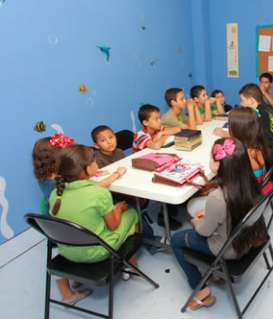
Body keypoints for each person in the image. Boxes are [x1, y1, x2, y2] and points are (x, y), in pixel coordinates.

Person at [171, 138, 268, 310]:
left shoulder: (217, 197)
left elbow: (203, 232)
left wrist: (195, 221)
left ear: (218, 165)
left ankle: (201, 292)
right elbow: (234, 211)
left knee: (176, 240)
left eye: (211, 157)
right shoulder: (251, 181)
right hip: (250, 239)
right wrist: (211, 215)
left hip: (228, 249)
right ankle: (218, 275)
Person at [49, 145, 139, 305]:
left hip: (67, 251)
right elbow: (113, 226)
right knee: (132, 213)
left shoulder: (55, 194)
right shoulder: (99, 194)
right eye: (94, 160)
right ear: (87, 168)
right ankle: (131, 264)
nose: (96, 163)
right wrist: (118, 209)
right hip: (97, 252)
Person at [133, 105, 182, 230]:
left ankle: (171, 207)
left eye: (159, 118)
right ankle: (163, 217)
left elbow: (178, 129)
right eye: (156, 119)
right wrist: (163, 136)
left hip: (155, 164)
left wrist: (162, 133)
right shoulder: (140, 135)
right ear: (145, 122)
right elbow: (155, 147)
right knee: (167, 181)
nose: (160, 121)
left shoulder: (157, 129)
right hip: (141, 171)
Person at [239, 83, 273, 168]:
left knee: (240, 153)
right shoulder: (267, 108)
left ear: (251, 100)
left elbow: (248, 137)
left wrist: (225, 134)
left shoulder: (259, 115)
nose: (241, 104)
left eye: (242, 100)